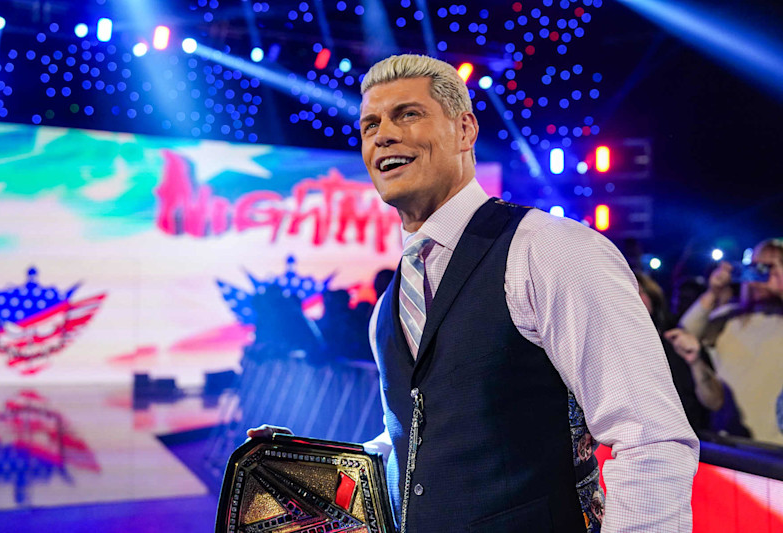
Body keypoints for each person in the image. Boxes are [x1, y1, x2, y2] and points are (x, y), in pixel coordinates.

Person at [250, 54, 698, 533]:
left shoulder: (550, 249)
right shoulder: (389, 304)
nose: (382, 134)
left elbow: (650, 439)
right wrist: (312, 468)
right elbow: (424, 439)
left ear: (465, 131)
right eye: (369, 124)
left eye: (408, 113)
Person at [679, 239, 783, 444]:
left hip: (775, 448)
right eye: (757, 267)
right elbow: (684, 334)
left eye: (771, 268)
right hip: (729, 443)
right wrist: (713, 291)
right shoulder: (727, 317)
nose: (762, 276)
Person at [633, 270, 724, 430]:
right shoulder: (609, 351)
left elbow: (714, 402)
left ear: (653, 298)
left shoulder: (679, 340)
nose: (632, 299)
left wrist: (695, 362)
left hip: (689, 445)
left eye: (638, 292)